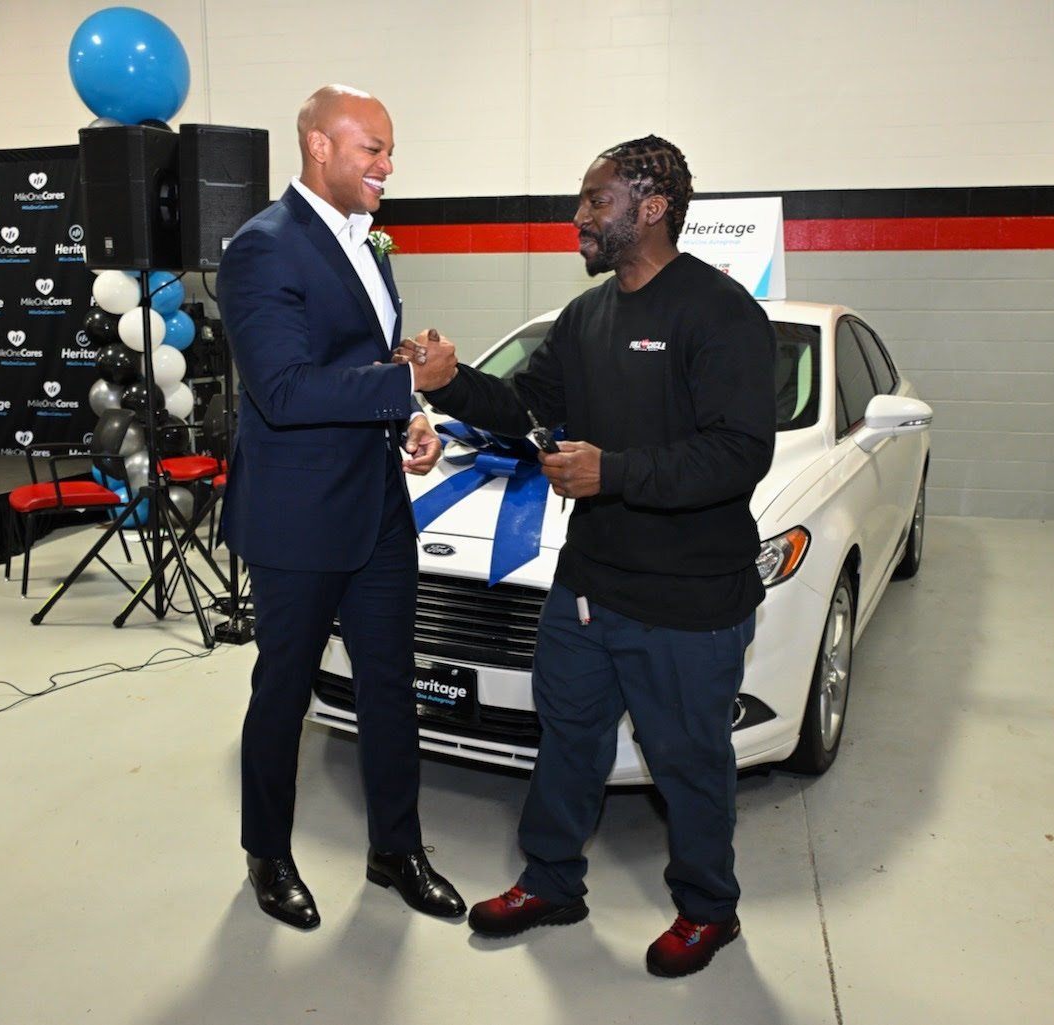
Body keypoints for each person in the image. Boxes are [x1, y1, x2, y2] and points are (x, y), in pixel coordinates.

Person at [394, 135, 776, 976]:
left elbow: (741, 453)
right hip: (588, 584)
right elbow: (524, 404)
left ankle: (709, 910)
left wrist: (616, 472)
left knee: (689, 762)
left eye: (597, 200)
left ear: (652, 207)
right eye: (582, 200)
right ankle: (551, 880)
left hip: (688, 598)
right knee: (567, 738)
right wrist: (450, 382)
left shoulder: (719, 313)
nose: (579, 215)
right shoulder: (587, 316)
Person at [216, 84, 465, 930]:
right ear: (319, 146)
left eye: (391, 150)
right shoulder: (262, 249)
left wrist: (411, 413)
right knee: (283, 691)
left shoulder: (368, 240)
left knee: (391, 684)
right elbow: (284, 390)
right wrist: (406, 382)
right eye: (373, 149)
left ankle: (397, 849)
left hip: (379, 505)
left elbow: (364, 358)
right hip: (298, 517)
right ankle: (267, 853)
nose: (388, 165)